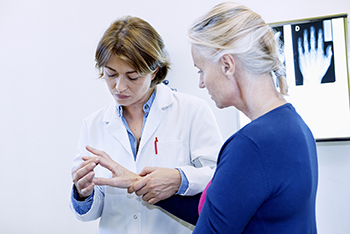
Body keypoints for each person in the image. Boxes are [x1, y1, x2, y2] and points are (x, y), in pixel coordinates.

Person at [84, 2, 319, 233]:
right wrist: (140, 182)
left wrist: (177, 178)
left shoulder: (251, 145)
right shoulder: (292, 126)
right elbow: (217, 210)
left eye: (201, 70)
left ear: (227, 65)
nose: (201, 82)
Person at [69, 16, 223, 234]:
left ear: (155, 71)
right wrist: (82, 192)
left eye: (132, 77)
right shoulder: (93, 124)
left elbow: (219, 176)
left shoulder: (192, 110)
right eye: (111, 74)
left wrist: (179, 178)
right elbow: (89, 212)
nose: (119, 87)